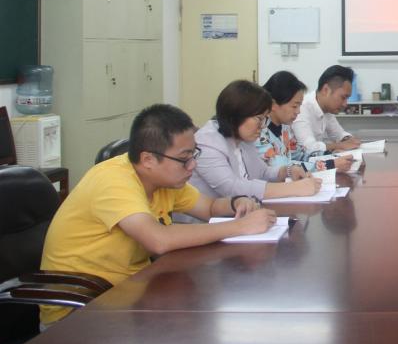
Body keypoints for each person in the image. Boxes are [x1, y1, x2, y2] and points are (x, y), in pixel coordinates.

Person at [39, 104, 276, 325]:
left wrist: (237, 203)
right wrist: (240, 226)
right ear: (148, 159)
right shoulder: (113, 181)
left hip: (131, 293)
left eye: (194, 155)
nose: (192, 166)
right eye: (184, 159)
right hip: (80, 312)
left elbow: (209, 208)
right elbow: (158, 240)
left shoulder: (163, 179)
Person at [192, 80, 323, 201]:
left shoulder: (242, 138)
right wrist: (294, 188)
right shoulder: (207, 143)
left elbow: (263, 172)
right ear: (237, 114)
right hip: (212, 218)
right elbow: (232, 188)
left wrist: (289, 171)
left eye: (265, 119)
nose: (263, 126)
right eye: (259, 119)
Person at [257, 71, 353, 172]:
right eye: (294, 106)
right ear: (273, 105)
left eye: (299, 106)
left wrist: (330, 155)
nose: (298, 111)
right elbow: (282, 167)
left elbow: (300, 155)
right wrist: (329, 164)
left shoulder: (284, 127)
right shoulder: (258, 131)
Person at [292, 65, 362, 154]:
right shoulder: (302, 108)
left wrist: (348, 139)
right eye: (343, 97)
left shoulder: (327, 109)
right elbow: (308, 148)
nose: (345, 104)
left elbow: (339, 134)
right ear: (326, 90)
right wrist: (339, 145)